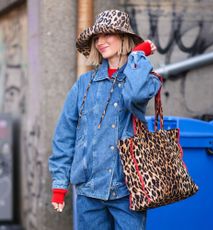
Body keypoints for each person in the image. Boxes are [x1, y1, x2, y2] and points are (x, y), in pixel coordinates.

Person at [48, 9, 161, 230]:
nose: (100, 41)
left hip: (128, 192)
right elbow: (65, 134)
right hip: (89, 192)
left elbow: (135, 95)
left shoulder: (144, 79)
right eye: (97, 37)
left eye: (108, 34)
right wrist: (59, 185)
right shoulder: (84, 84)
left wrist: (137, 55)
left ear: (123, 38)